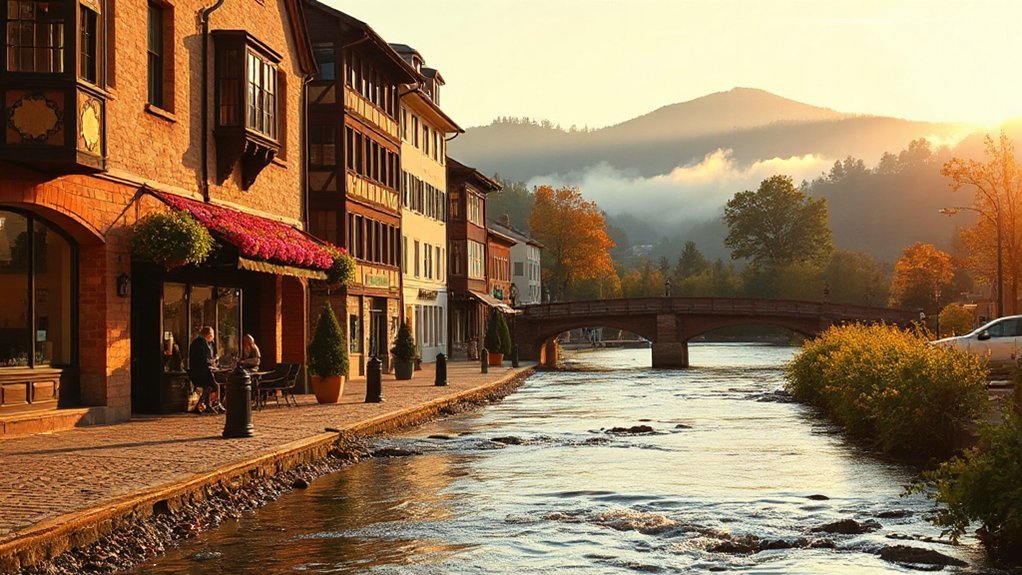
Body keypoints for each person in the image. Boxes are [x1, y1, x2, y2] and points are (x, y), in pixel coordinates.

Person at [188, 326, 219, 413]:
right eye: (212, 335)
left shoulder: (196, 342)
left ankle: (206, 404)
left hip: (196, 371)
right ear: (209, 335)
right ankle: (203, 403)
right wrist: (211, 364)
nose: (213, 338)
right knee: (213, 384)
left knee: (211, 384)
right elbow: (205, 359)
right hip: (200, 372)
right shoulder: (202, 343)